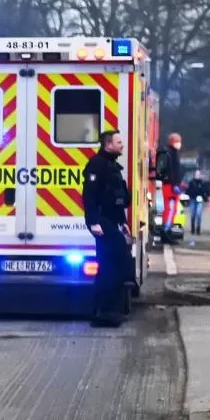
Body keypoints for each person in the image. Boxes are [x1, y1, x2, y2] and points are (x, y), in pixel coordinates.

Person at [82, 130, 132, 327]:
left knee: (115, 265)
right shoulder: (97, 165)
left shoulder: (112, 166)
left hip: (112, 221)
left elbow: (117, 199)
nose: (122, 145)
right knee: (112, 266)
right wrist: (94, 222)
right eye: (119, 142)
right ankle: (103, 312)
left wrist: (123, 222)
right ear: (107, 144)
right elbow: (90, 197)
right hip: (102, 222)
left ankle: (110, 311)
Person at [158, 133, 182, 241]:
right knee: (170, 209)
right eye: (177, 142)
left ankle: (167, 229)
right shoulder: (170, 154)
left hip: (172, 185)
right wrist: (174, 184)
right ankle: (166, 230)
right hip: (170, 186)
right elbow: (171, 171)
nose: (179, 144)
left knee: (172, 209)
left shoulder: (172, 153)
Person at [185, 170, 208, 235]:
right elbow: (187, 191)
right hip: (192, 200)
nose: (198, 175)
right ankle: (192, 229)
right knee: (193, 214)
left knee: (198, 214)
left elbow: (205, 191)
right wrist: (188, 196)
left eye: (199, 174)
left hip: (200, 200)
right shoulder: (191, 182)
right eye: (197, 174)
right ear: (194, 175)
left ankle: (198, 229)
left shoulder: (203, 183)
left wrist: (205, 198)